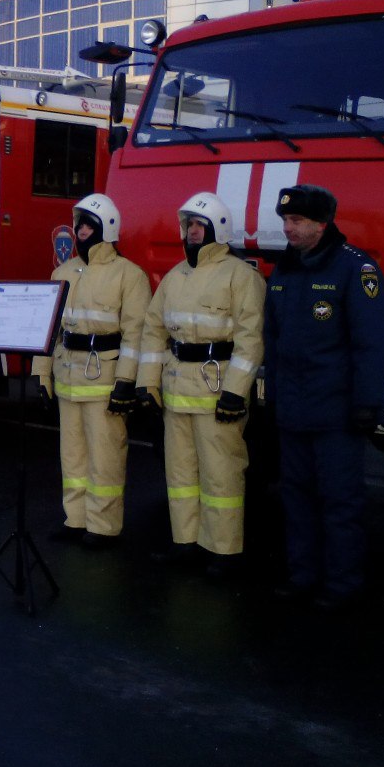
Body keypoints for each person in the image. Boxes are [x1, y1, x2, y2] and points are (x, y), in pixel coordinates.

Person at [265, 185, 384, 611]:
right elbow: (274, 340)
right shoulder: (284, 270)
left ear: (322, 223)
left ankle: (342, 584)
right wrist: (273, 396)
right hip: (294, 409)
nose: (289, 228)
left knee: (339, 501)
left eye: (298, 221)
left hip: (336, 412)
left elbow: (372, 343)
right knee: (296, 497)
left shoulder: (357, 270)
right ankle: (303, 576)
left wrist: (367, 403)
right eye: (286, 220)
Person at [136, 192, 265, 576]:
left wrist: (235, 391)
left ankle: (223, 551)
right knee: (180, 474)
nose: (192, 232)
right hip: (177, 392)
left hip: (216, 393)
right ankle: (185, 542)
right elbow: (153, 330)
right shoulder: (175, 276)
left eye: (199, 225)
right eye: (189, 225)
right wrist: (148, 383)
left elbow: (250, 338)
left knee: (220, 473)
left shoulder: (241, 276)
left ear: (217, 230)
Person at [31, 193, 151, 546]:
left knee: (105, 457)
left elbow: (135, 334)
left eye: (88, 224)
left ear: (105, 228)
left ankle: (103, 526)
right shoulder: (63, 272)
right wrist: (42, 373)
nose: (80, 229)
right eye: (79, 222)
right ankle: (76, 519)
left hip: (104, 382)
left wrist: (127, 382)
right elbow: (49, 329)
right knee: (72, 456)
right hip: (68, 377)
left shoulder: (129, 275)